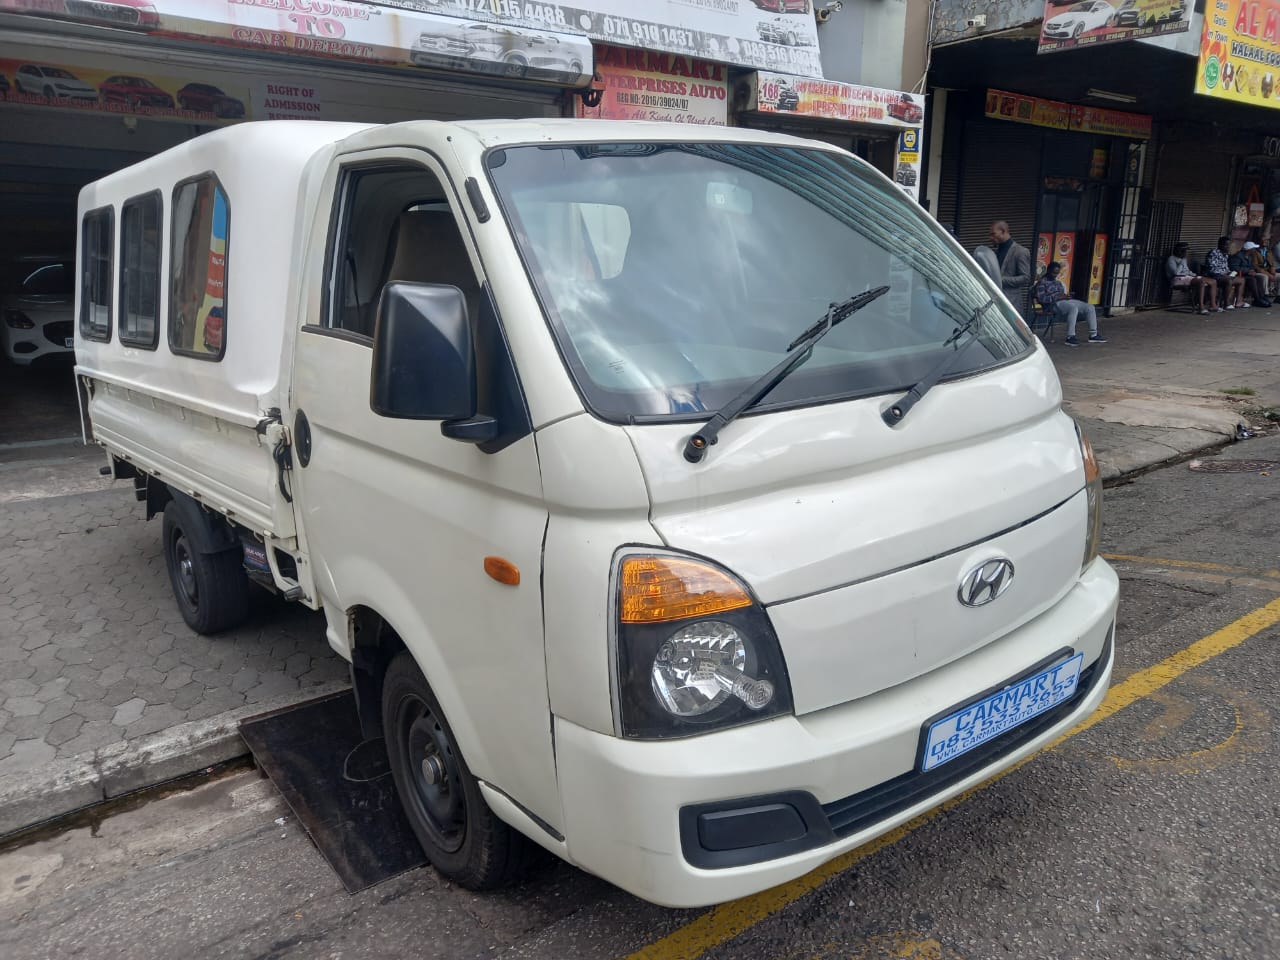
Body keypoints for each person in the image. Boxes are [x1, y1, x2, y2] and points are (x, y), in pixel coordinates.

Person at [1033, 261, 1106, 346]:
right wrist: (1057, 297)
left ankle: (1093, 335)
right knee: (1073, 308)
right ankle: (1070, 337)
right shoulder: (1042, 283)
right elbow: (1042, 299)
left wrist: (1066, 296)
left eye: (1057, 273)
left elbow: (1062, 294)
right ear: (1048, 271)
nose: (1055, 275)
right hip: (1052, 305)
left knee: (1089, 307)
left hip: (1064, 301)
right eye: (1053, 273)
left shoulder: (1058, 282)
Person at [1166, 242, 1217, 314]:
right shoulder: (1171, 259)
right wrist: (1181, 263)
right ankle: (1201, 307)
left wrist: (1194, 275)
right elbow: (1176, 273)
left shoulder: (1184, 259)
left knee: (1213, 281)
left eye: (1185, 251)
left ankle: (1213, 305)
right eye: (1183, 251)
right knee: (1201, 282)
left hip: (1187, 277)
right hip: (1177, 279)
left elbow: (1187, 270)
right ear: (1178, 251)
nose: (1185, 253)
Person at [989, 220, 1031, 303]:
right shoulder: (996, 251)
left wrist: (1000, 280)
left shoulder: (1020, 251)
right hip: (995, 299)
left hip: (1011, 301)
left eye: (993, 234)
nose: (991, 238)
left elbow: (1025, 278)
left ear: (1003, 231)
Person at [1206, 236, 1247, 310]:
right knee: (1229, 281)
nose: (1228, 247)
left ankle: (1238, 302)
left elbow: (1226, 268)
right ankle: (1226, 303)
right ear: (1220, 245)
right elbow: (1212, 269)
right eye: (1226, 245)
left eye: (1228, 245)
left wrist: (1231, 273)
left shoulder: (1225, 254)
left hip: (1224, 275)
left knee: (1241, 280)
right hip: (1215, 275)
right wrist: (1224, 274)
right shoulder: (1213, 253)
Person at [1229, 241, 1270, 307]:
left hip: (1247, 274)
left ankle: (1262, 297)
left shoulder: (1249, 257)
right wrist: (1247, 271)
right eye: (1253, 248)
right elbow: (1234, 267)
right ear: (1249, 249)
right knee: (1252, 280)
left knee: (1260, 278)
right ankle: (1257, 299)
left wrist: (1252, 271)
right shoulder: (1238, 256)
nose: (1254, 250)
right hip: (1239, 275)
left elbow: (1251, 266)